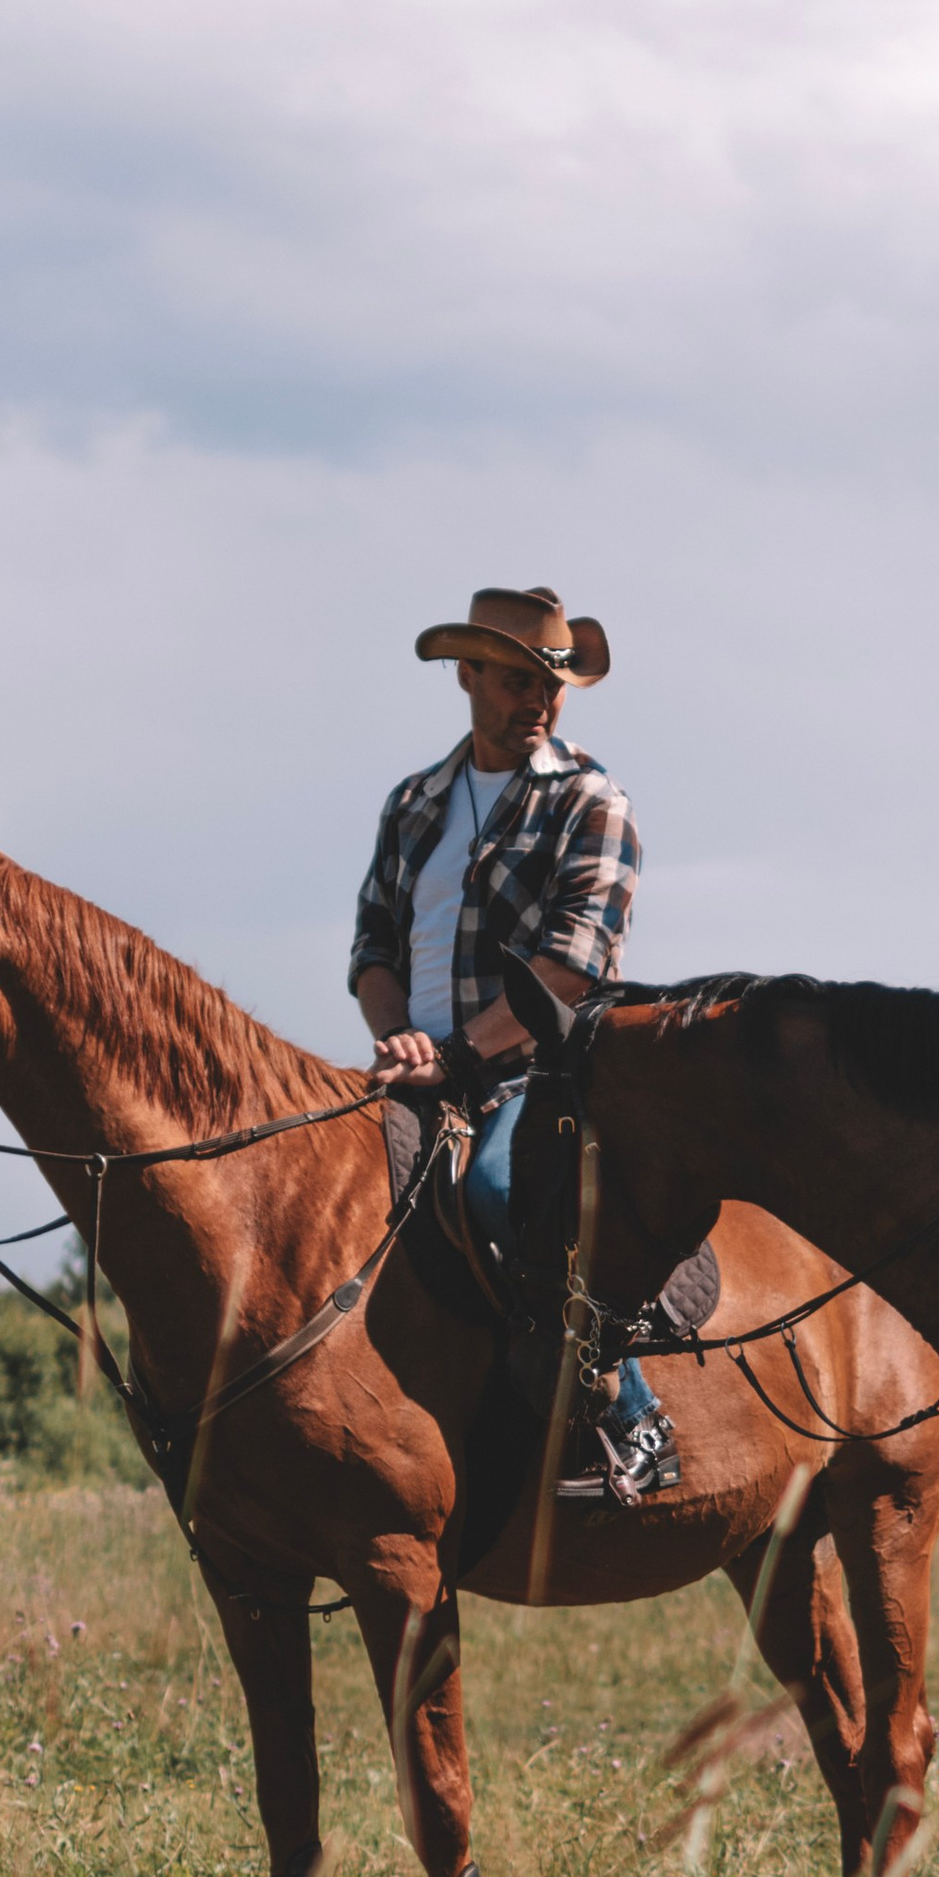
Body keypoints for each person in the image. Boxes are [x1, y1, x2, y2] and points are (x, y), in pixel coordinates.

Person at [351, 583, 678, 1502]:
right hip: (418, 1068)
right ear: (465, 675)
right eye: (512, 681)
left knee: (501, 1186)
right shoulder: (413, 802)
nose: (535, 700)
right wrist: (403, 1042)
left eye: (550, 683)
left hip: (542, 1073)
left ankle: (631, 1416)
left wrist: (456, 1056)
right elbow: (373, 946)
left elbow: (573, 967)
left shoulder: (590, 799)